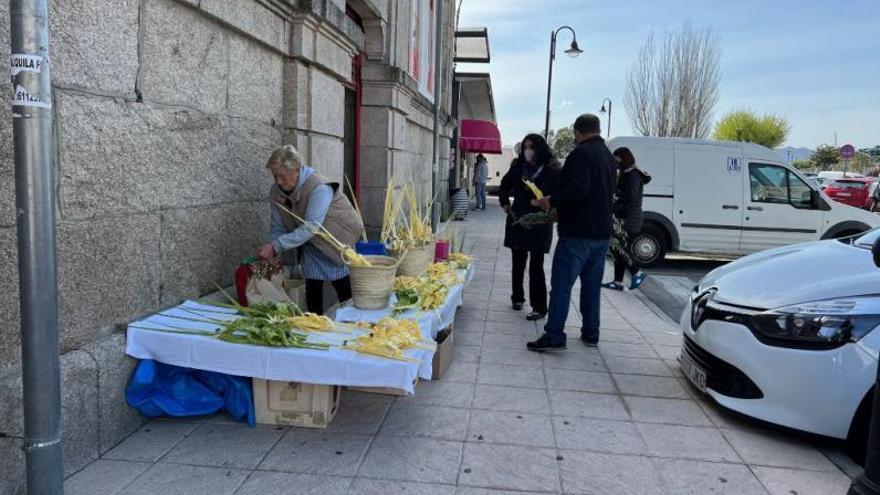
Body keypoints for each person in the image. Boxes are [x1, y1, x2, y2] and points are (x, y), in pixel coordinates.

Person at [526, 114, 617, 350]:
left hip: (578, 232)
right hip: (602, 233)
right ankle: (591, 333)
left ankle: (554, 334)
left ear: (577, 133)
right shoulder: (608, 156)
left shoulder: (580, 154)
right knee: (591, 287)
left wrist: (551, 201)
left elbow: (578, 188)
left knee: (562, 285)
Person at [258, 145, 364, 315]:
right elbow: (277, 226)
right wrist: (273, 249)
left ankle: (353, 323)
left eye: (282, 175)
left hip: (335, 240)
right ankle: (315, 324)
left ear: (296, 170)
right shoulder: (275, 192)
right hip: (311, 243)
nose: (278, 181)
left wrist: (276, 245)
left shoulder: (319, 187)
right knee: (313, 286)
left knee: (344, 289)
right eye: (274, 175)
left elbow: (311, 226)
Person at [498, 134, 561, 320]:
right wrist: (504, 203)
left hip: (539, 220)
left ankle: (539, 307)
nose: (528, 151)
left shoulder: (552, 170)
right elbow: (504, 185)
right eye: (525, 147)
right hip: (518, 217)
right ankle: (517, 297)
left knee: (536, 264)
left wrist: (550, 206)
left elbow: (560, 193)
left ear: (539, 149)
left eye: (531, 147)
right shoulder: (518, 166)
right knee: (517, 262)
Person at [602, 147, 651, 291]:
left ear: (624, 158)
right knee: (620, 249)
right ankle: (617, 282)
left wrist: (615, 195)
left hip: (630, 218)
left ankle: (637, 272)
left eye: (617, 159)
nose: (615, 163)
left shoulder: (633, 175)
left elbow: (630, 195)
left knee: (618, 248)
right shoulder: (625, 174)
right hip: (624, 217)